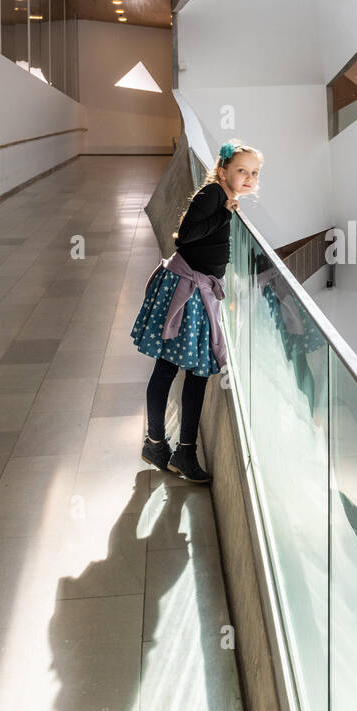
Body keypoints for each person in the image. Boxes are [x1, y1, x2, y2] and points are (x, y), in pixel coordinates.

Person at [130, 139, 263, 484]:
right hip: (187, 292)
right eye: (241, 171)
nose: (249, 177)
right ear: (223, 171)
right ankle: (172, 448)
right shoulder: (213, 196)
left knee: (183, 369)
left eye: (254, 173)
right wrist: (224, 211)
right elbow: (185, 237)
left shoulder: (221, 196)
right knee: (183, 369)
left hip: (193, 289)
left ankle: (165, 446)